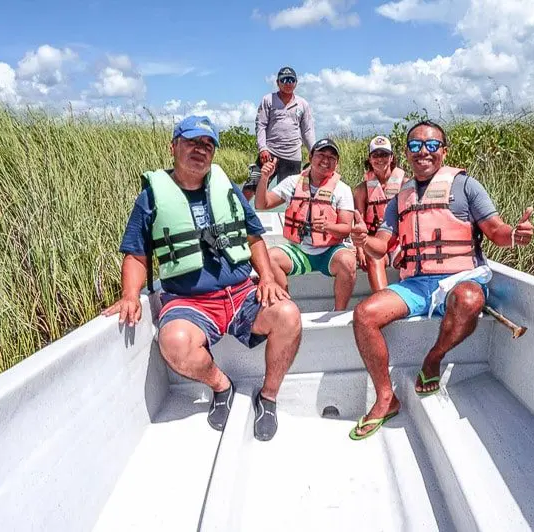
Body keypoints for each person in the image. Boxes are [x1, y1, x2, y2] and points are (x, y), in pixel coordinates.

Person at [102, 115, 302, 442]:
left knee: (289, 315)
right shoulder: (151, 198)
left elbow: (253, 237)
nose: (200, 150)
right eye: (192, 142)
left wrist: (266, 276)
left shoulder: (228, 191)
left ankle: (268, 397)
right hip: (190, 301)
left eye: (208, 145)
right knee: (175, 344)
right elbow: (137, 254)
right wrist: (129, 294)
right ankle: (221, 385)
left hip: (240, 294)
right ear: (174, 147)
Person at [348, 120, 534, 440]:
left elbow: (495, 230)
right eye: (416, 146)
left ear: (444, 151)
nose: (424, 152)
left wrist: (515, 235)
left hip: (462, 277)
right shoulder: (400, 199)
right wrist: (362, 239)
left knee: (470, 299)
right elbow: (381, 245)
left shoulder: (466, 186)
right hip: (417, 284)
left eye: (432, 145)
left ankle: (433, 358)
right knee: (364, 315)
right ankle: (385, 398)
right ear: (406, 154)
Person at [254, 138, 357, 311]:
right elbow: (261, 204)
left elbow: (346, 228)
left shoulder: (342, 189)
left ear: (337, 163)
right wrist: (264, 178)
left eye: (332, 157)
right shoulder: (293, 182)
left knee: (348, 261)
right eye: (321, 155)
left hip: (329, 252)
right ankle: (288, 309)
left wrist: (329, 226)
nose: (326, 160)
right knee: (269, 257)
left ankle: (338, 312)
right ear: (310, 157)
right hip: (299, 250)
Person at [242, 66, 316, 201]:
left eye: (291, 80)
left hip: (292, 156)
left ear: (296, 82)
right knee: (251, 186)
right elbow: (261, 125)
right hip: (269, 154)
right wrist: (262, 148)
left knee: (292, 194)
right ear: (277, 82)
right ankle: (239, 216)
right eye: (284, 80)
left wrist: (314, 151)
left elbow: (307, 131)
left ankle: (292, 221)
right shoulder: (268, 100)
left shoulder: (303, 104)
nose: (288, 83)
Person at [353, 135, 408, 292]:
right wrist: (360, 250)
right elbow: (359, 222)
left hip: (399, 242)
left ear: (391, 158)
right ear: (370, 159)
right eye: (376, 155)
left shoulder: (405, 185)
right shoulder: (361, 190)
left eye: (384, 154)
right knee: (373, 257)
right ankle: (383, 300)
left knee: (409, 259)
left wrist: (407, 248)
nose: (380, 159)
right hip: (374, 242)